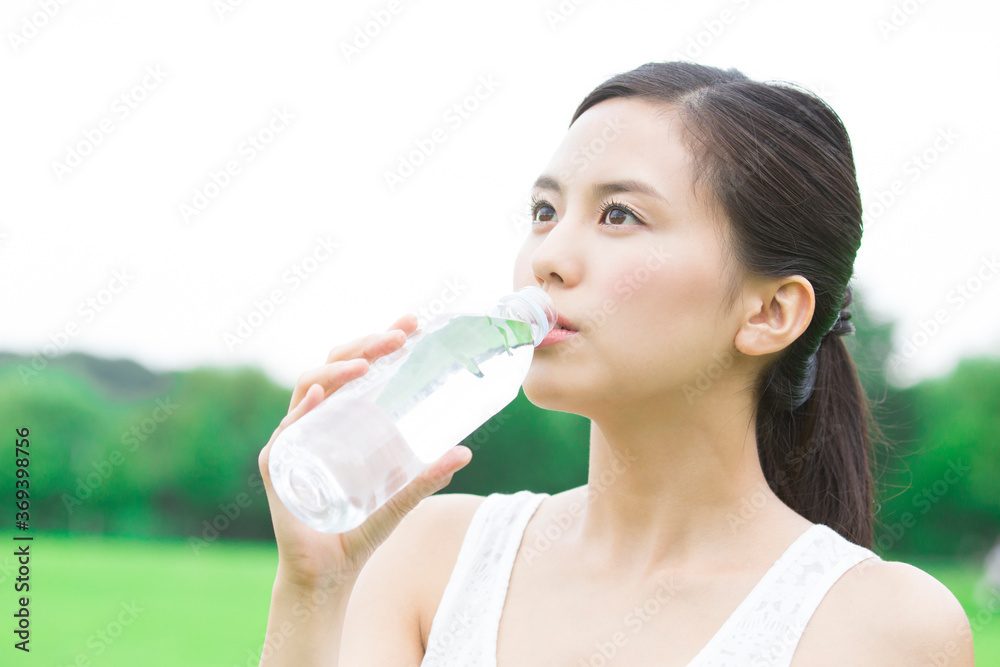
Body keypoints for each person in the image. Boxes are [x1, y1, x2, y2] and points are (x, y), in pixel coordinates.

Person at [256, 62, 974, 666]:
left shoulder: (879, 626)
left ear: (769, 312)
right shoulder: (430, 558)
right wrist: (312, 590)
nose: (548, 258)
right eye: (545, 211)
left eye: (619, 216)